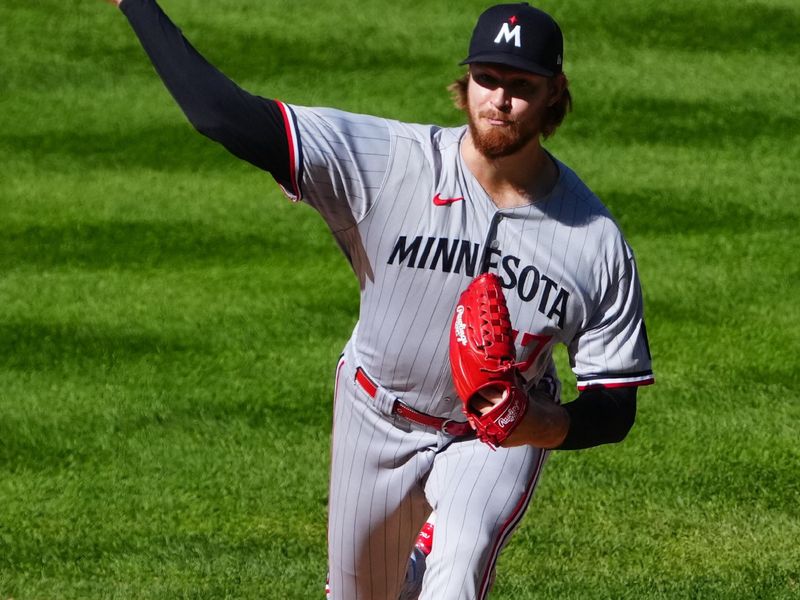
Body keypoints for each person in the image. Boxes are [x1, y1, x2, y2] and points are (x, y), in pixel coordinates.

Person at [104, 1, 654, 598]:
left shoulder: (594, 241)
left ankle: (439, 545)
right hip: (376, 416)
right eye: (487, 79)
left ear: (555, 93)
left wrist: (535, 423)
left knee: (459, 574)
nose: (498, 99)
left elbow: (613, 407)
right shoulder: (390, 163)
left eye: (521, 85)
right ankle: (413, 555)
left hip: (491, 440)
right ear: (465, 81)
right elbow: (221, 116)